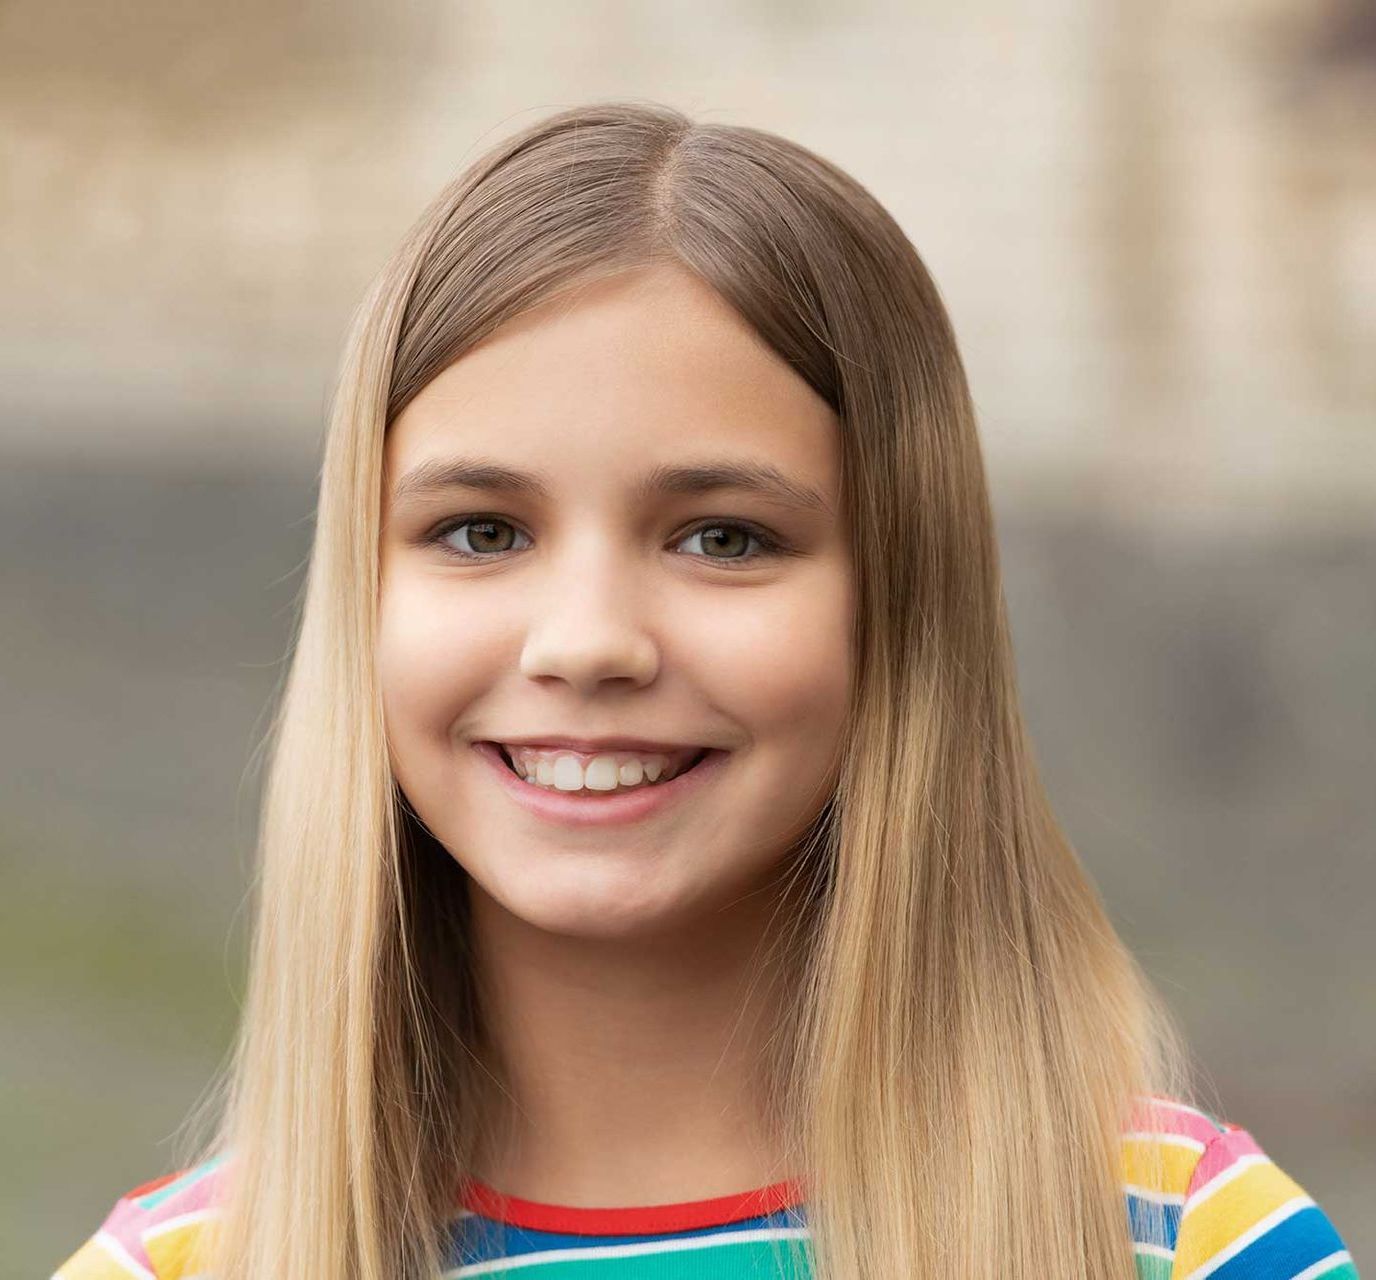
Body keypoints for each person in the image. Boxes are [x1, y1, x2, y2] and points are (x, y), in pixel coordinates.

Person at [49, 101, 1359, 1280]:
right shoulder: (178, 1270)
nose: (588, 642)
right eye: (480, 531)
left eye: (722, 537)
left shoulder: (1186, 1243)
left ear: (902, 607)